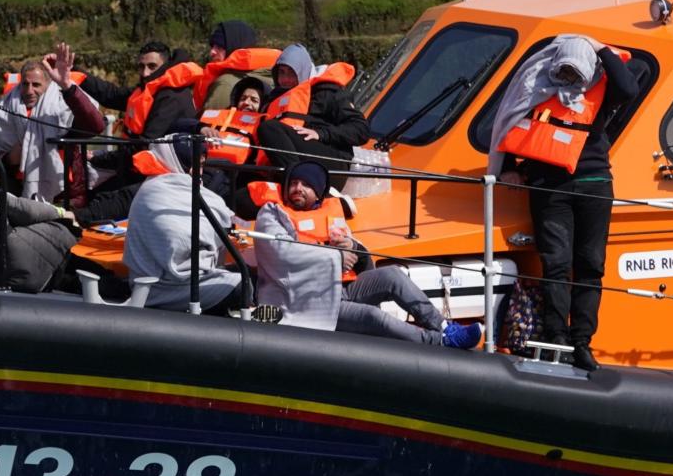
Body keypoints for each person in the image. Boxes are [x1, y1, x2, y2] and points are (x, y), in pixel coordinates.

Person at [488, 34, 640, 371]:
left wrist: (600, 48)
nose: (570, 75)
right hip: (548, 186)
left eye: (577, 67)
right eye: (566, 67)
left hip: (594, 184)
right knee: (556, 263)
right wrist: (510, 169)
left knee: (590, 265)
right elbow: (511, 122)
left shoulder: (603, 88)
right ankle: (556, 338)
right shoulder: (536, 85)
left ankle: (582, 342)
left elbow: (629, 89)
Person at [254, 161, 482, 348]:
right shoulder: (273, 214)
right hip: (307, 299)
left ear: (318, 192)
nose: (297, 188)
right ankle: (438, 341)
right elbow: (281, 252)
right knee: (374, 317)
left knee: (392, 275)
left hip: (342, 287)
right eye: (293, 183)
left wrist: (352, 246)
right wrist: (335, 257)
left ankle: (443, 326)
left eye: (305, 184)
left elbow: (359, 255)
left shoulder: (330, 212)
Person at [122, 136, 242, 314]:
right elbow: (179, 239)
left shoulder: (174, 188)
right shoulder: (155, 191)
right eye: (196, 164)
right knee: (244, 285)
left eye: (202, 164)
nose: (200, 172)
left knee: (245, 273)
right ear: (179, 161)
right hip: (163, 286)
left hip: (184, 278)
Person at [0, 44, 104, 203]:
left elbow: (95, 126)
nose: (29, 91)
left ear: (48, 86)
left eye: (36, 85)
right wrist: (8, 159)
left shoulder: (62, 108)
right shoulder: (4, 110)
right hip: (18, 190)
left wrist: (67, 87)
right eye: (25, 84)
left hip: (64, 193)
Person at [254, 44, 368, 190]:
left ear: (303, 71)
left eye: (291, 73)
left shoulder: (327, 92)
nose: (285, 79)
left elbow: (361, 129)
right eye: (281, 73)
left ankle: (294, 186)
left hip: (331, 166)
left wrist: (321, 134)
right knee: (241, 195)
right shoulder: (274, 98)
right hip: (293, 161)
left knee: (269, 128)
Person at [193, 20, 281, 109]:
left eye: (219, 47)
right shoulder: (277, 76)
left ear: (234, 47)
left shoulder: (224, 84)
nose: (212, 52)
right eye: (212, 46)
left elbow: (207, 121)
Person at [199, 75, 270, 164]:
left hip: (240, 172)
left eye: (254, 100)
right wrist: (202, 128)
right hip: (201, 164)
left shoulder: (266, 127)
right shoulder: (219, 115)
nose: (246, 103)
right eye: (243, 98)